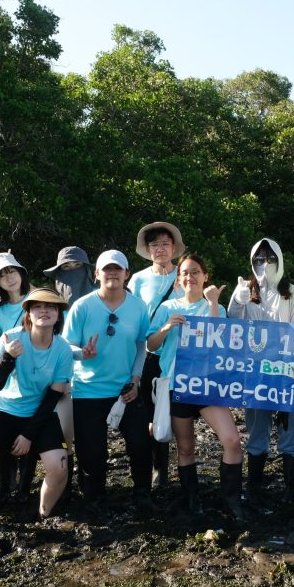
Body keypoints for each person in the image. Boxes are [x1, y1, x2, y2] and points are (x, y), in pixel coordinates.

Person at [0, 288, 74, 529]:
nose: (44, 310)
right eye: (37, 306)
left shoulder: (62, 348)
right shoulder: (11, 337)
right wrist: (8, 359)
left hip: (38, 411)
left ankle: (44, 514)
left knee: (59, 466)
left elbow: (54, 395)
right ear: (29, 313)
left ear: (59, 314)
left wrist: (28, 434)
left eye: (51, 306)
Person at [147, 253, 244, 520]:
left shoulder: (216, 307)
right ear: (179, 279)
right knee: (186, 447)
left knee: (232, 441)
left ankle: (232, 500)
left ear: (205, 276)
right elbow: (150, 345)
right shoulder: (168, 307)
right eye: (185, 273)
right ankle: (191, 499)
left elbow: (219, 340)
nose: (190, 277)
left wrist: (213, 303)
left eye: (195, 272)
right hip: (177, 386)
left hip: (208, 384)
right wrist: (166, 327)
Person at [63, 250, 153, 515]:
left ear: (127, 274)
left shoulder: (138, 306)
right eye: (106, 269)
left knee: (140, 444)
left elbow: (141, 345)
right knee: (92, 452)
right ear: (96, 274)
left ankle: (142, 493)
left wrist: (136, 379)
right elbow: (66, 344)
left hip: (125, 389)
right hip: (87, 390)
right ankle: (95, 497)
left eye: (118, 269)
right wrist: (82, 353)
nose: (112, 273)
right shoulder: (82, 306)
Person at [228, 238, 294, 506]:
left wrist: (292, 380)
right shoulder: (245, 290)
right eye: (259, 259)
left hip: (287, 373)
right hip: (255, 374)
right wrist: (237, 302)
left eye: (270, 259)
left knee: (291, 430)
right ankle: (255, 487)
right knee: (257, 431)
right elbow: (231, 326)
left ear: (279, 260)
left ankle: (291, 490)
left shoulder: (292, 292)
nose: (264, 264)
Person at [129, 222, 186, 492]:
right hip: (149, 352)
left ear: (174, 248)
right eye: (154, 245)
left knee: (181, 411)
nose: (160, 249)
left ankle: (185, 463)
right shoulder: (138, 279)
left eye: (165, 243)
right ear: (147, 250)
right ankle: (159, 470)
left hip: (180, 354)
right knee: (152, 413)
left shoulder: (185, 275)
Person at [0, 252, 35, 506]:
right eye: (2, 276)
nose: (9, 278)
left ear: (21, 273)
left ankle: (24, 487)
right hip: (6, 374)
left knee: (29, 429)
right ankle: (5, 487)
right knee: (5, 431)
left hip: (34, 372)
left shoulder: (37, 300)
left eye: (12, 272)